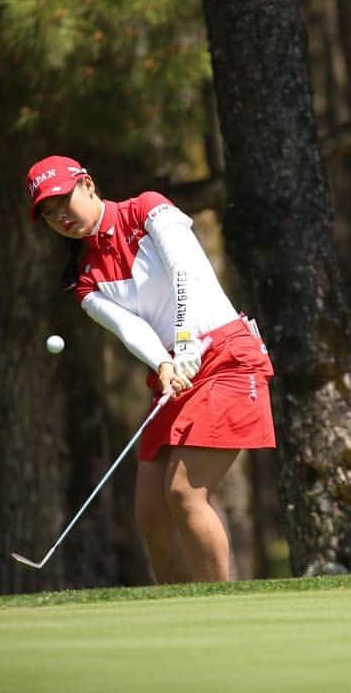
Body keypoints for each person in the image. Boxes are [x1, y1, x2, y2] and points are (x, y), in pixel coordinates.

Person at [25, 154, 275, 584]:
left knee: (184, 493)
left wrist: (182, 340)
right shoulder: (84, 278)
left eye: (64, 200)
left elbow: (185, 269)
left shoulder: (146, 208)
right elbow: (129, 327)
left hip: (227, 358)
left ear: (88, 184)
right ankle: (177, 619)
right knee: (151, 513)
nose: (60, 216)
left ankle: (226, 609)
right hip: (176, 375)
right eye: (48, 212)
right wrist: (162, 362)